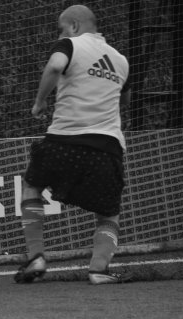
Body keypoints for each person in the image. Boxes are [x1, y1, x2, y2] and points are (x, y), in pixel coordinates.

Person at [14, 5, 131, 284]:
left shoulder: (70, 44)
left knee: (32, 186)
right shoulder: (121, 60)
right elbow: (124, 100)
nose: (60, 33)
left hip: (63, 142)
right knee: (109, 213)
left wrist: (40, 102)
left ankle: (36, 256)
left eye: (62, 28)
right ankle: (99, 270)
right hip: (107, 147)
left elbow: (55, 65)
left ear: (74, 26)